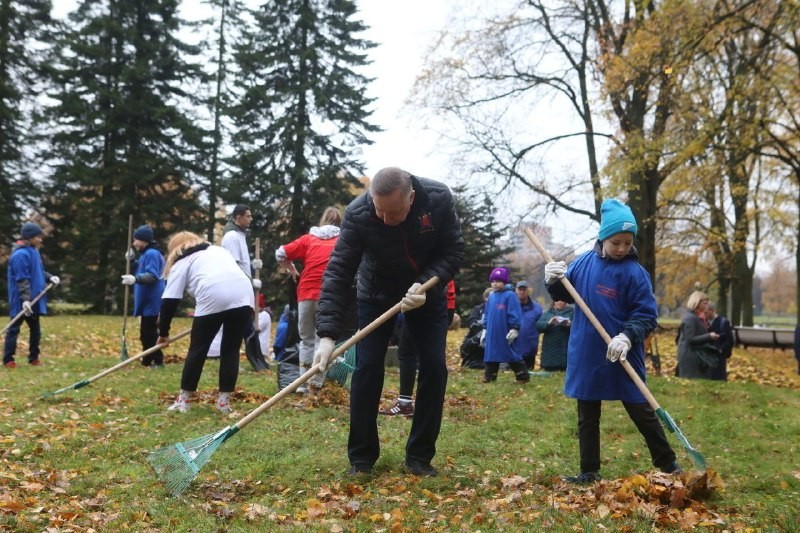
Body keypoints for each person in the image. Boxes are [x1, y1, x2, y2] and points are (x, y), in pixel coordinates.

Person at [313, 167, 464, 477]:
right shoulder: (358, 214)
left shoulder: (438, 199)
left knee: (435, 368)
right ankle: (362, 458)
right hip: (376, 295)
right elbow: (339, 272)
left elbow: (453, 251)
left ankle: (420, 456)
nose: (384, 219)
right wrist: (327, 335)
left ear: (411, 198)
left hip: (425, 295)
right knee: (367, 368)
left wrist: (426, 286)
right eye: (378, 210)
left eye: (392, 212)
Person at [544, 198, 680, 484]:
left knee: (641, 410)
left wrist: (627, 336)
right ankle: (589, 470)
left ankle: (668, 465)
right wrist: (553, 281)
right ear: (603, 237)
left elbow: (646, 315)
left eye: (627, 242)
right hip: (586, 351)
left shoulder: (635, 274)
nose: (621, 248)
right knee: (587, 415)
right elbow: (565, 296)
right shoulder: (582, 263)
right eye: (616, 241)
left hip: (622, 352)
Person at [157, 232, 254, 414]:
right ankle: (224, 402)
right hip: (243, 293)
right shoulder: (218, 250)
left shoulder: (182, 263)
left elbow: (169, 301)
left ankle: (183, 400)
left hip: (212, 293)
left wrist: (163, 334)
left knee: (198, 349)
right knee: (231, 350)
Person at [275, 206, 342, 389]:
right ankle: (317, 383)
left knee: (306, 340)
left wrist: (293, 270)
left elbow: (280, 253)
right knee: (323, 339)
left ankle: (302, 384)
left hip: (305, 292)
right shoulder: (342, 240)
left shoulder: (308, 239)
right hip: (329, 294)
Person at [381, 279, 457, 417]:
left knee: (410, 352)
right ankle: (422, 407)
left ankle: (411, 405)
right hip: (433, 302)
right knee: (413, 352)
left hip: (429, 303)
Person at [4, 222, 60, 368]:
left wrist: (49, 277)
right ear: (29, 237)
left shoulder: (34, 251)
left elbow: (37, 272)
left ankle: (33, 358)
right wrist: (25, 300)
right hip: (21, 300)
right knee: (14, 329)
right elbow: (22, 279)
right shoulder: (20, 255)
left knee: (35, 331)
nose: (41, 240)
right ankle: (8, 359)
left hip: (34, 299)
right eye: (38, 237)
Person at [221, 204, 265, 369]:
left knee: (245, 325)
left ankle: (254, 358)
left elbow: (243, 262)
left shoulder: (239, 235)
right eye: (248, 216)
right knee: (238, 325)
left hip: (243, 285)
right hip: (236, 287)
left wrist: (254, 266)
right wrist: (249, 281)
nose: (250, 219)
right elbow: (233, 264)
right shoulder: (232, 236)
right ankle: (235, 359)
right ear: (238, 217)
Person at [121, 224, 166, 367]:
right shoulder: (146, 254)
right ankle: (147, 360)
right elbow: (139, 269)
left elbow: (152, 276)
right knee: (146, 333)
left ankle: (157, 361)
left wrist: (135, 279)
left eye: (136, 240)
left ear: (144, 240)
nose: (134, 244)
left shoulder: (152, 253)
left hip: (151, 300)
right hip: (147, 300)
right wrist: (132, 261)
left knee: (150, 334)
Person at [481, 267, 528, 383]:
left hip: (505, 331)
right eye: (493, 281)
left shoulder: (510, 296)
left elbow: (514, 312)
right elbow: (487, 313)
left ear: (504, 282)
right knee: (491, 353)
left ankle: (522, 376)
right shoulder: (491, 296)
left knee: (510, 353)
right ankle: (489, 377)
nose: (495, 284)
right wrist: (485, 329)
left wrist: (515, 328)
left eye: (498, 281)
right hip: (492, 332)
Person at [676, 290, 720, 380]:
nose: (706, 306)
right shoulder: (690, 318)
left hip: (697, 355)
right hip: (691, 357)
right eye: (704, 303)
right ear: (696, 302)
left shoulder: (697, 317)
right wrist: (709, 336)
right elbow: (690, 339)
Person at [536, 298, 573, 371]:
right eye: (557, 300)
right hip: (549, 355)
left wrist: (570, 324)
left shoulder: (572, 313)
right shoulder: (547, 313)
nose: (559, 302)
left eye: (561, 300)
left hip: (566, 352)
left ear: (565, 302)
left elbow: (578, 326)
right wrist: (549, 323)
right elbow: (538, 326)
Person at [459, 287, 491, 369]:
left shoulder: (500, 310)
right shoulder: (478, 309)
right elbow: (472, 324)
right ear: (485, 298)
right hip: (477, 339)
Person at [514, 280, 543, 370]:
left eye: (524, 289)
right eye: (520, 289)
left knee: (529, 373)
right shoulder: (511, 306)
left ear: (528, 291)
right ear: (516, 290)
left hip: (530, 347)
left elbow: (541, 325)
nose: (522, 292)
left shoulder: (537, 308)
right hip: (513, 347)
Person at [704, 301, 733, 381]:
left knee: (718, 377)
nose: (704, 314)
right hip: (706, 355)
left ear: (712, 310)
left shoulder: (723, 323)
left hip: (718, 356)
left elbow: (730, 340)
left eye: (706, 312)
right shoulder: (704, 322)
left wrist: (721, 349)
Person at [257, 294, 272, 360]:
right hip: (259, 344)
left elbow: (257, 328)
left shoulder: (264, 315)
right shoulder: (259, 315)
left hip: (262, 344)